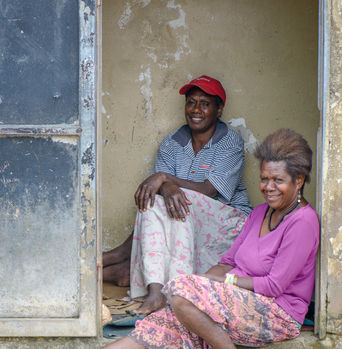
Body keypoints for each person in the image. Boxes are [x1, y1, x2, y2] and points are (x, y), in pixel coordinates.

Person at [25, 128, 320, 349]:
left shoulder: (303, 222)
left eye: (278, 180)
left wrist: (209, 286)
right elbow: (228, 261)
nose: (268, 187)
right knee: (158, 323)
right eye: (265, 178)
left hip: (277, 313)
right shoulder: (260, 213)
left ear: (299, 180)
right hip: (239, 300)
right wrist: (201, 285)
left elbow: (273, 285)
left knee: (180, 292)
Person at [103, 75, 252, 315]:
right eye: (191, 102)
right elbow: (157, 190)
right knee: (157, 200)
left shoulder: (230, 142)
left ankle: (124, 259)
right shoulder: (172, 143)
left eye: (205, 103)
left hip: (229, 227)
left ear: (219, 109)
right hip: (185, 225)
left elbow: (208, 191)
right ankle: (154, 292)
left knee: (177, 201)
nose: (196, 109)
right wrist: (164, 183)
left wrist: (165, 179)